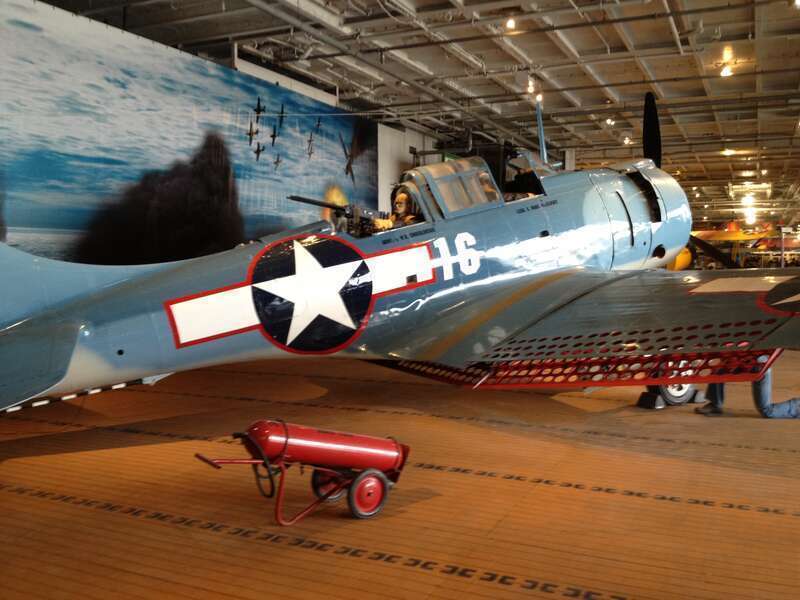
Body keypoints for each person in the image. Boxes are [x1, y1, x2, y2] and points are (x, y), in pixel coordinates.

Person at [695, 368, 800, 418]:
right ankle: (715, 403)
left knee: (767, 411)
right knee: (720, 368)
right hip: (740, 357)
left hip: (761, 365)